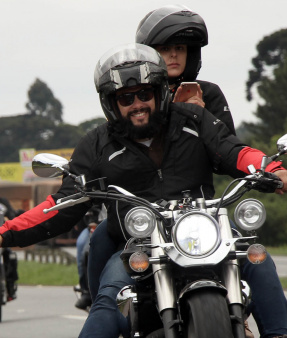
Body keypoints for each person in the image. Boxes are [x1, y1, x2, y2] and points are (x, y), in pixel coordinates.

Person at [0, 43, 287, 338]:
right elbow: (63, 201)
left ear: (159, 92)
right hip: (139, 246)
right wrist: (3, 233)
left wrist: (271, 168)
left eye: (144, 94)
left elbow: (235, 152)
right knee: (115, 286)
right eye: (125, 98)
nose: (137, 105)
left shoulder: (193, 121)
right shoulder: (97, 145)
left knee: (255, 257)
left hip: (200, 230)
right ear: (112, 104)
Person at [88, 5, 236, 309]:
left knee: (246, 253)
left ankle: (252, 324)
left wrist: (199, 115)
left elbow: (226, 151)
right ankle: (103, 312)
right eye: (164, 48)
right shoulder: (130, 97)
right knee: (101, 240)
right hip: (140, 213)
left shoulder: (208, 94)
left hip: (194, 210)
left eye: (180, 48)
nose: (173, 56)